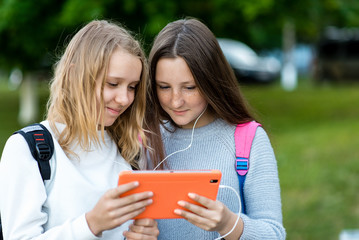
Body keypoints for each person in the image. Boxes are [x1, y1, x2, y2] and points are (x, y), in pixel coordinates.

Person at [0, 20, 159, 240]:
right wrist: (91, 224)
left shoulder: (130, 152)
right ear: (76, 75)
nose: (124, 99)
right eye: (112, 84)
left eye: (132, 87)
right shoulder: (30, 149)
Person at [146, 18, 286, 239]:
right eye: (164, 87)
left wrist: (229, 224)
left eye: (189, 87)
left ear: (211, 81)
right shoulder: (143, 139)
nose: (175, 101)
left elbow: (273, 234)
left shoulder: (248, 140)